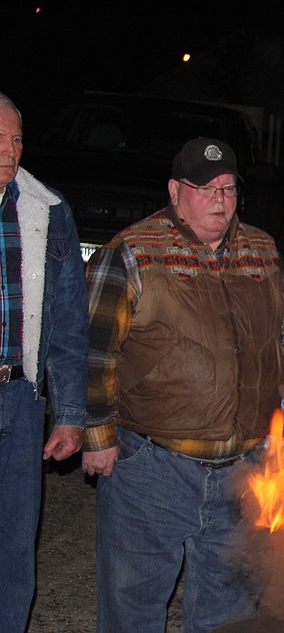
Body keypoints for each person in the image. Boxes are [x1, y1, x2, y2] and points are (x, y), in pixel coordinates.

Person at [80, 137, 284, 633]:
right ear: (175, 191)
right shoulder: (133, 251)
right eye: (204, 189)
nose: (219, 201)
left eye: (227, 188)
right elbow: (96, 352)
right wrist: (97, 437)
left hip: (243, 471)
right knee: (133, 603)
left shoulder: (263, 250)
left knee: (228, 612)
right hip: (153, 468)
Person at [0, 92, 89, 633]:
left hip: (19, 399)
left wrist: (71, 413)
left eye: (16, 140)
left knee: (13, 548)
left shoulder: (46, 210)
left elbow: (68, 323)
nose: (9, 152)